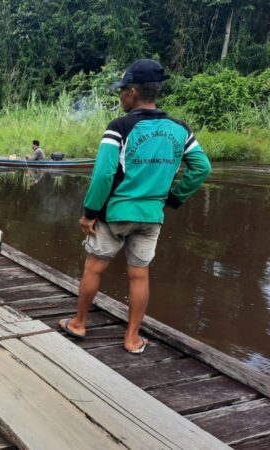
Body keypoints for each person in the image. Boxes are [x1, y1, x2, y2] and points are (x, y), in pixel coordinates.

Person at [59, 59, 211, 354]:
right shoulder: (180, 129)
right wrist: (175, 198)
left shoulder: (120, 127)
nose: (120, 98)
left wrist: (90, 212)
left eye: (121, 92)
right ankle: (131, 339)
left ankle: (78, 324)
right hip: (152, 216)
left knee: (94, 266)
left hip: (116, 213)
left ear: (131, 92)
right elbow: (201, 168)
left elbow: (103, 174)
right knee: (139, 274)